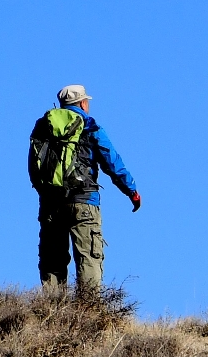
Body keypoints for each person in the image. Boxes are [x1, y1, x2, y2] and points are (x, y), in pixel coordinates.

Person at [27, 83, 141, 293]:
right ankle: (88, 311)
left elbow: (33, 165)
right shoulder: (89, 125)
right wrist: (131, 191)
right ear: (82, 103)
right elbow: (112, 161)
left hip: (51, 203)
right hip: (84, 201)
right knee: (88, 256)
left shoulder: (43, 126)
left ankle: (51, 312)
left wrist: (45, 193)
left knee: (53, 260)